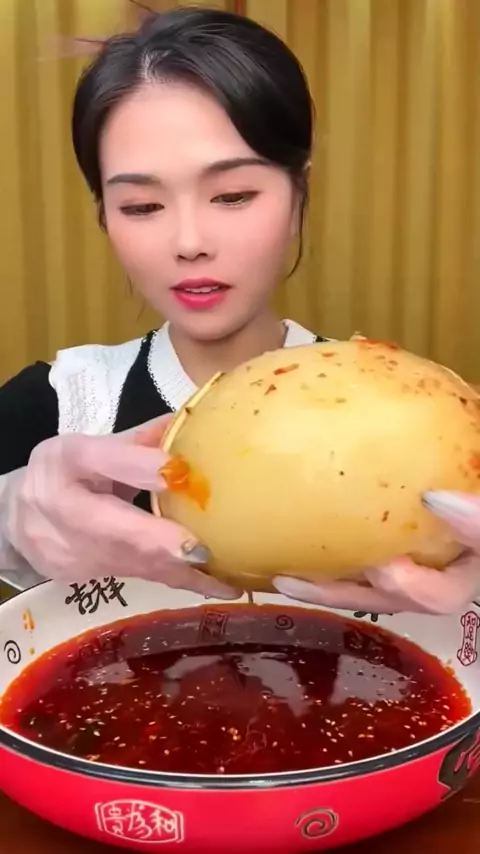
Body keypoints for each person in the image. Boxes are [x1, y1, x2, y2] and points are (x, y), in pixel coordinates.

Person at [0, 6, 479, 614]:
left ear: (298, 191)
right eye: (142, 206)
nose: (189, 241)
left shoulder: (414, 426)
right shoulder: (52, 405)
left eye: (232, 195)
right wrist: (9, 515)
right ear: (104, 216)